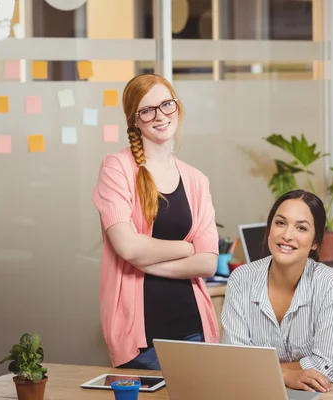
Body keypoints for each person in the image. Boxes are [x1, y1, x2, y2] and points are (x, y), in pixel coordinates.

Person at [92, 73, 220, 370]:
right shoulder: (118, 168)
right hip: (140, 340)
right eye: (147, 110)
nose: (159, 116)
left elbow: (208, 264)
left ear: (177, 107)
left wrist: (149, 263)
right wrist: (186, 249)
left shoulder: (197, 180)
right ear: (134, 120)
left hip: (194, 331)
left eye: (166, 105)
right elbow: (127, 246)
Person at [222, 190, 333, 393]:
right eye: (280, 223)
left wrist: (263, 370)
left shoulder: (331, 284)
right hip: (260, 391)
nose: (287, 235)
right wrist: (287, 375)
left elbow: (328, 367)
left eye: (301, 228)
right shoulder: (241, 279)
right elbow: (236, 361)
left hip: (325, 393)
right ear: (269, 229)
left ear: (315, 242)